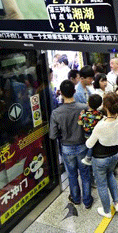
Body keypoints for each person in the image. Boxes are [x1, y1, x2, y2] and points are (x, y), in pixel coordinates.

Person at [49, 80, 93, 208]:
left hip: (67, 148)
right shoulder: (83, 108)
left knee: (72, 175)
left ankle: (75, 198)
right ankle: (87, 200)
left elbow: (52, 135)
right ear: (74, 91)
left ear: (61, 93)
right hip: (82, 145)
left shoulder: (56, 113)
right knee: (85, 174)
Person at [86, 92, 118, 218]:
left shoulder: (101, 125)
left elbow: (89, 144)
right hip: (114, 155)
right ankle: (116, 202)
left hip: (100, 159)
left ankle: (106, 211)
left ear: (105, 107)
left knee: (102, 185)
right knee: (111, 176)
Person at [79, 94, 104, 166]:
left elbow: (79, 122)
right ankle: (89, 158)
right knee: (92, 146)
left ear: (88, 103)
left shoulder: (83, 113)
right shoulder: (99, 114)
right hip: (96, 134)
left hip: (86, 134)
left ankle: (88, 158)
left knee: (89, 146)